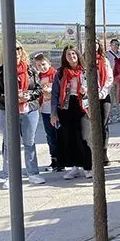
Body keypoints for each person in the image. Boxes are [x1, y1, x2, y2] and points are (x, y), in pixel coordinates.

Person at [0, 42, 45, 189]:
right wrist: (12, 98)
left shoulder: (30, 70)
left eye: (18, 48)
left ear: (21, 51)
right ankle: (10, 176)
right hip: (9, 111)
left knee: (29, 142)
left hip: (29, 110)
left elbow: (38, 89)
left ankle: (33, 173)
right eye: (12, 48)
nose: (15, 51)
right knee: (10, 143)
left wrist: (28, 96)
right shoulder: (1, 71)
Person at [51, 46, 92, 179]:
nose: (71, 56)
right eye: (68, 54)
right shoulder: (61, 73)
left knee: (84, 137)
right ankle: (74, 167)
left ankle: (88, 166)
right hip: (66, 107)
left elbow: (96, 87)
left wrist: (87, 91)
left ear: (78, 55)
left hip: (82, 106)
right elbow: (55, 94)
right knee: (69, 137)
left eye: (73, 54)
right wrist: (53, 113)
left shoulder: (86, 71)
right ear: (65, 57)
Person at [34, 53, 62, 172]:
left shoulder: (56, 75)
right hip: (45, 110)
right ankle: (54, 159)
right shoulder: (38, 77)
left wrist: (51, 91)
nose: (42, 67)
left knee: (59, 134)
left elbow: (61, 90)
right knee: (50, 135)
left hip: (56, 109)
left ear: (49, 63)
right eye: (39, 65)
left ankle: (62, 159)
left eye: (44, 64)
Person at [93, 41, 114, 165]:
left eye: (96, 42)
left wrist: (102, 92)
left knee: (103, 125)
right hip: (89, 97)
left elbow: (109, 78)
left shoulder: (104, 60)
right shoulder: (84, 60)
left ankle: (104, 152)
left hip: (103, 96)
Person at [106, 39, 120, 123]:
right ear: (111, 45)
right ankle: (109, 117)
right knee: (111, 98)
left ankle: (119, 116)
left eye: (118, 44)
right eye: (115, 44)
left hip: (119, 78)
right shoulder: (107, 54)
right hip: (111, 78)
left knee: (119, 98)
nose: (116, 46)